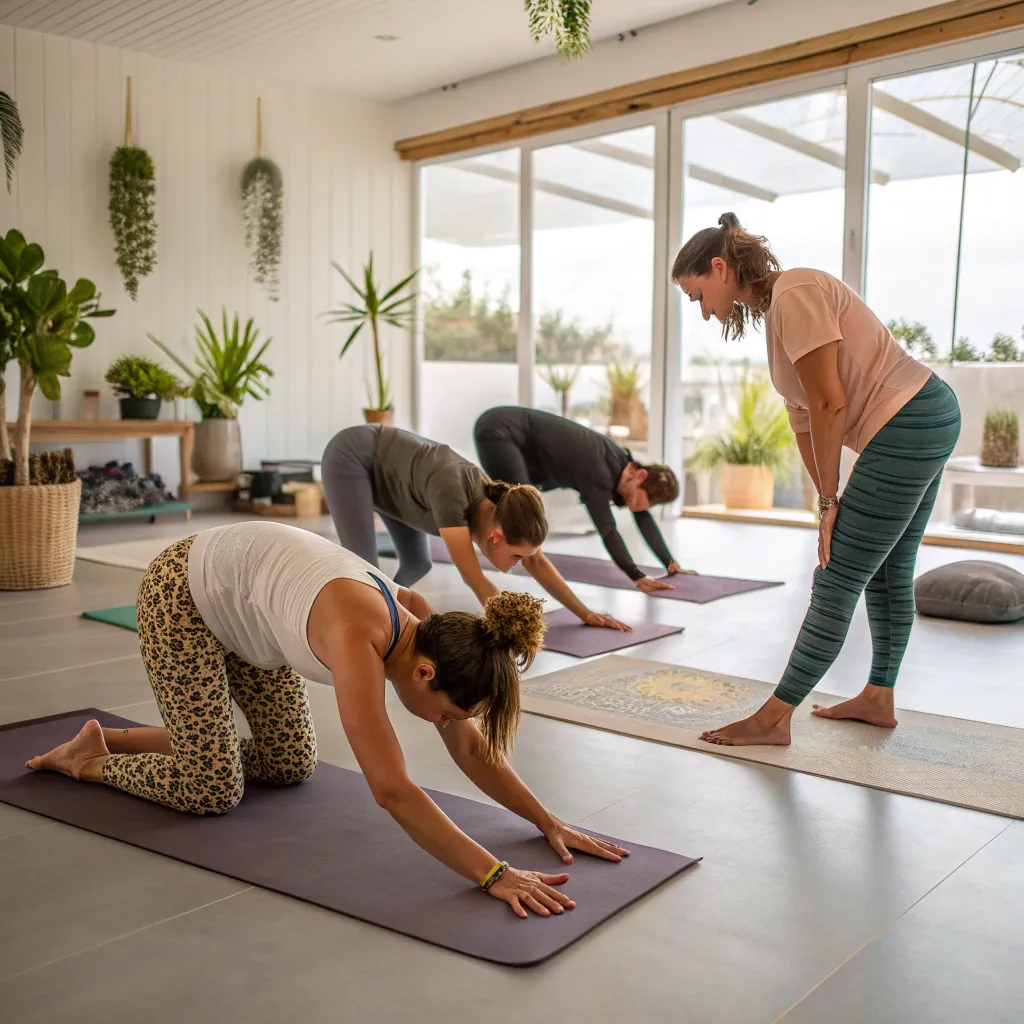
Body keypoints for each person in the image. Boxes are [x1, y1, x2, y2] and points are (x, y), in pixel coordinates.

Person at [25, 521, 628, 918]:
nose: (446, 725)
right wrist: (492, 873)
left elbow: (469, 749)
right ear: (424, 674)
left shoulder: (424, 625)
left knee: (290, 762)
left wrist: (546, 821)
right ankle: (89, 760)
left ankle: (128, 739)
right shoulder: (359, 636)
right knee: (211, 787)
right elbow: (392, 790)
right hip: (183, 594)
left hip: (252, 614)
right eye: (449, 713)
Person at [671, 213, 960, 747]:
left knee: (836, 575)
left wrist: (831, 501)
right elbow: (803, 417)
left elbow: (831, 403)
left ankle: (773, 719)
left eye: (698, 295)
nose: (703, 310)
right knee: (888, 570)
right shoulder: (778, 312)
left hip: (909, 421)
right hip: (922, 417)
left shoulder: (795, 292)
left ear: (720, 267)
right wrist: (822, 501)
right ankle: (878, 697)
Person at [321, 423, 628, 631]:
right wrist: (511, 631)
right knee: (366, 572)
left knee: (417, 563)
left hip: (392, 482)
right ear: (496, 537)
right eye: (516, 556)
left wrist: (586, 613)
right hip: (353, 458)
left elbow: (538, 562)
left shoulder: (499, 510)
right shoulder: (454, 497)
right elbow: (475, 579)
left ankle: (388, 613)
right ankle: (368, 624)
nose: (518, 564)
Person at [474, 405, 692, 591]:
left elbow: (642, 517)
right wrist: (637, 576)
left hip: (513, 437)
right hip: (501, 430)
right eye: (646, 500)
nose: (641, 507)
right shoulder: (599, 471)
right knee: (526, 509)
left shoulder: (620, 466)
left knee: (523, 505)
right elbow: (608, 530)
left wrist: (670, 562)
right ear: (640, 475)